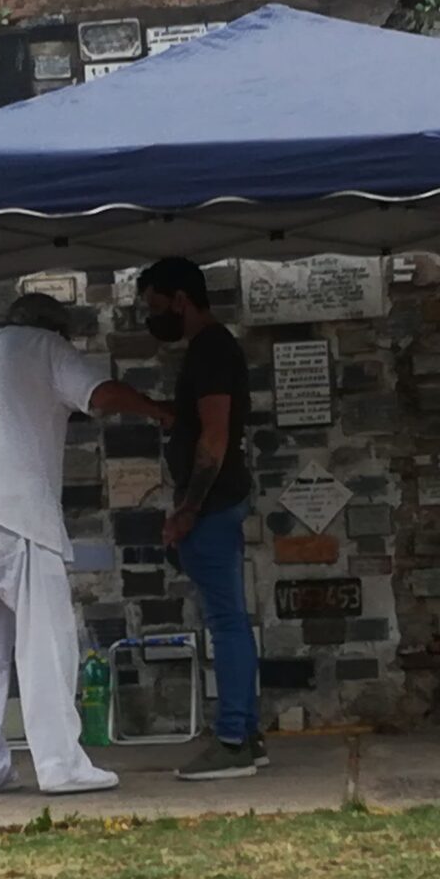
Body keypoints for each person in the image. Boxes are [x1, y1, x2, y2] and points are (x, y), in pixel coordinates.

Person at [0, 292, 171, 797]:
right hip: (11, 507)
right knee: (45, 642)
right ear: (56, 329)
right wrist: (158, 409)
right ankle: (59, 765)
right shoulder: (44, 346)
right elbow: (99, 394)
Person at [138, 258, 266, 781]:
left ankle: (232, 740)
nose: (152, 317)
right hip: (218, 502)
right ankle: (247, 735)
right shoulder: (211, 348)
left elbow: (215, 436)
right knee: (231, 620)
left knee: (226, 623)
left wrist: (188, 509)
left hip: (211, 506)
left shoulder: (211, 349)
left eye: (155, 306)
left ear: (180, 299)